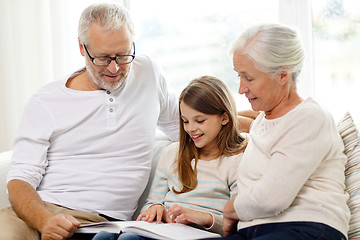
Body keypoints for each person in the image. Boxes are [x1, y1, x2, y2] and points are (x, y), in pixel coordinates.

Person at [0, 2, 180, 240]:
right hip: (35, 214)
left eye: (124, 55)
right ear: (81, 48)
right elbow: (19, 180)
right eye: (103, 58)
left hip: (98, 224)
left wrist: (234, 119)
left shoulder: (148, 73)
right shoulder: (47, 101)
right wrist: (44, 221)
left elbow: (188, 124)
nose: (115, 68)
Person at [211, 23, 350, 240]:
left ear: (283, 75)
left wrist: (230, 210)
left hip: (306, 228)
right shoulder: (263, 121)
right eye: (238, 76)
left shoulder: (310, 118)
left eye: (249, 78)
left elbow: (271, 198)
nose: (241, 89)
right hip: (256, 231)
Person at [91, 75, 248, 240]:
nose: (191, 129)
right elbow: (151, 203)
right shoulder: (173, 153)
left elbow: (239, 223)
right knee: (104, 237)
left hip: (202, 235)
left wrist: (205, 218)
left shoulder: (238, 160)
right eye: (185, 121)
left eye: (200, 121)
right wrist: (155, 208)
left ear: (224, 117)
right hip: (165, 232)